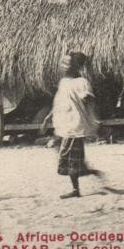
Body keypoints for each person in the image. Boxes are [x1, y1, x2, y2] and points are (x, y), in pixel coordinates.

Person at [41, 52, 102, 199]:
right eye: (63, 63)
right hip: (63, 124)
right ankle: (85, 172)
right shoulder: (63, 82)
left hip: (74, 125)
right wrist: (48, 117)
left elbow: (89, 102)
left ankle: (77, 187)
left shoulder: (81, 82)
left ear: (76, 66)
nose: (64, 66)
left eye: (67, 63)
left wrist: (94, 120)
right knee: (64, 154)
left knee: (68, 158)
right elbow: (59, 102)